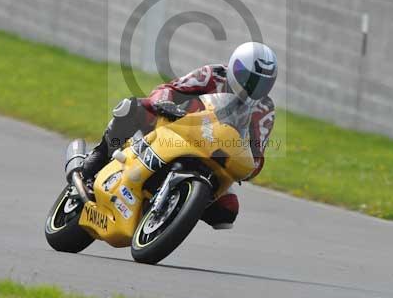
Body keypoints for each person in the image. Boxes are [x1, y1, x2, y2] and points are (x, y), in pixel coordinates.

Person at [76, 42, 278, 229]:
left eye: (262, 84)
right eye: (249, 78)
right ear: (235, 67)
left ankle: (176, 208)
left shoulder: (265, 108)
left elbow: (256, 155)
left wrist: (245, 167)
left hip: (215, 154)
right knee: (132, 107)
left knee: (227, 211)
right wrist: (164, 103)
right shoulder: (212, 75)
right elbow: (170, 88)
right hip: (177, 127)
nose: (253, 87)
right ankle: (99, 155)